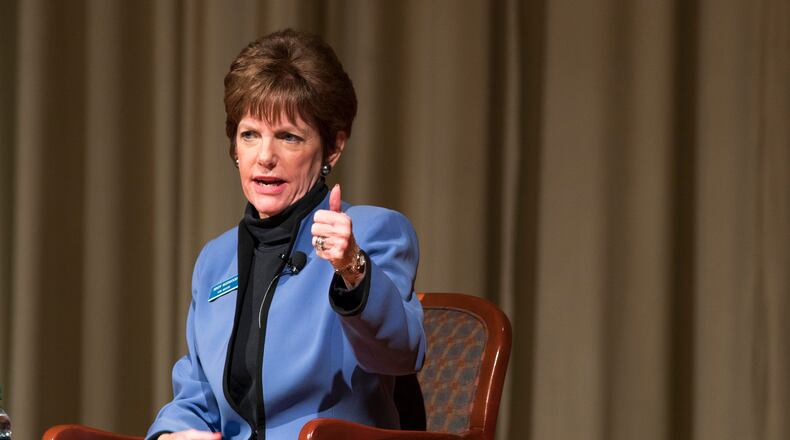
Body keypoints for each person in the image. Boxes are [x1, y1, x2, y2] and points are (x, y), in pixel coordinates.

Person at [147, 29, 426, 440]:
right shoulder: (216, 259)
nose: (265, 157)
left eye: (288, 137)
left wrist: (352, 268)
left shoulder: (372, 233)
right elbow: (199, 391)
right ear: (234, 148)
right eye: (250, 135)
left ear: (332, 147)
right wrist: (172, 434)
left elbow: (400, 352)